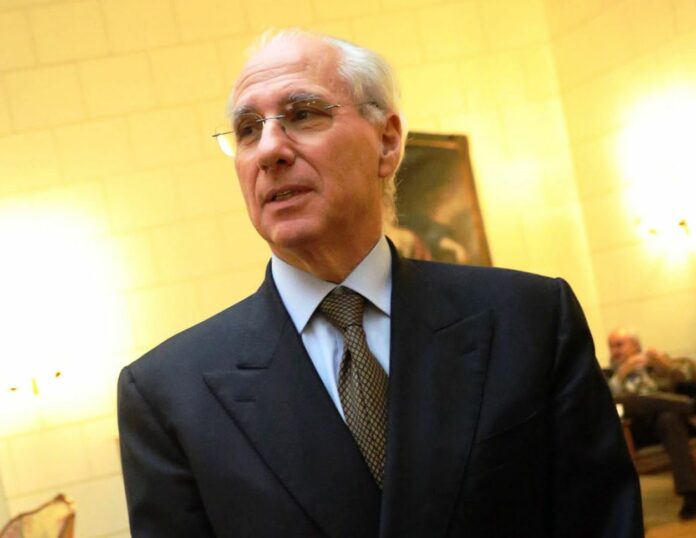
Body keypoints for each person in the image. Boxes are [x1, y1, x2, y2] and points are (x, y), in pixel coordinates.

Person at [117, 29, 642, 537]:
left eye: (303, 114)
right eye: (249, 129)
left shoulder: (530, 319)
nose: (270, 149)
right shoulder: (170, 395)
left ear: (387, 142)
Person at [607, 328, 696, 519]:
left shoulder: (654, 366)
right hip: (635, 429)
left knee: (669, 418)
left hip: (666, 425)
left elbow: (685, 381)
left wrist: (667, 366)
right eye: (611, 346)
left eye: (619, 345)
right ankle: (689, 406)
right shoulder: (608, 375)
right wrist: (621, 374)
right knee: (627, 400)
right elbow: (603, 402)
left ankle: (690, 495)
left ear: (636, 346)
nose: (614, 351)